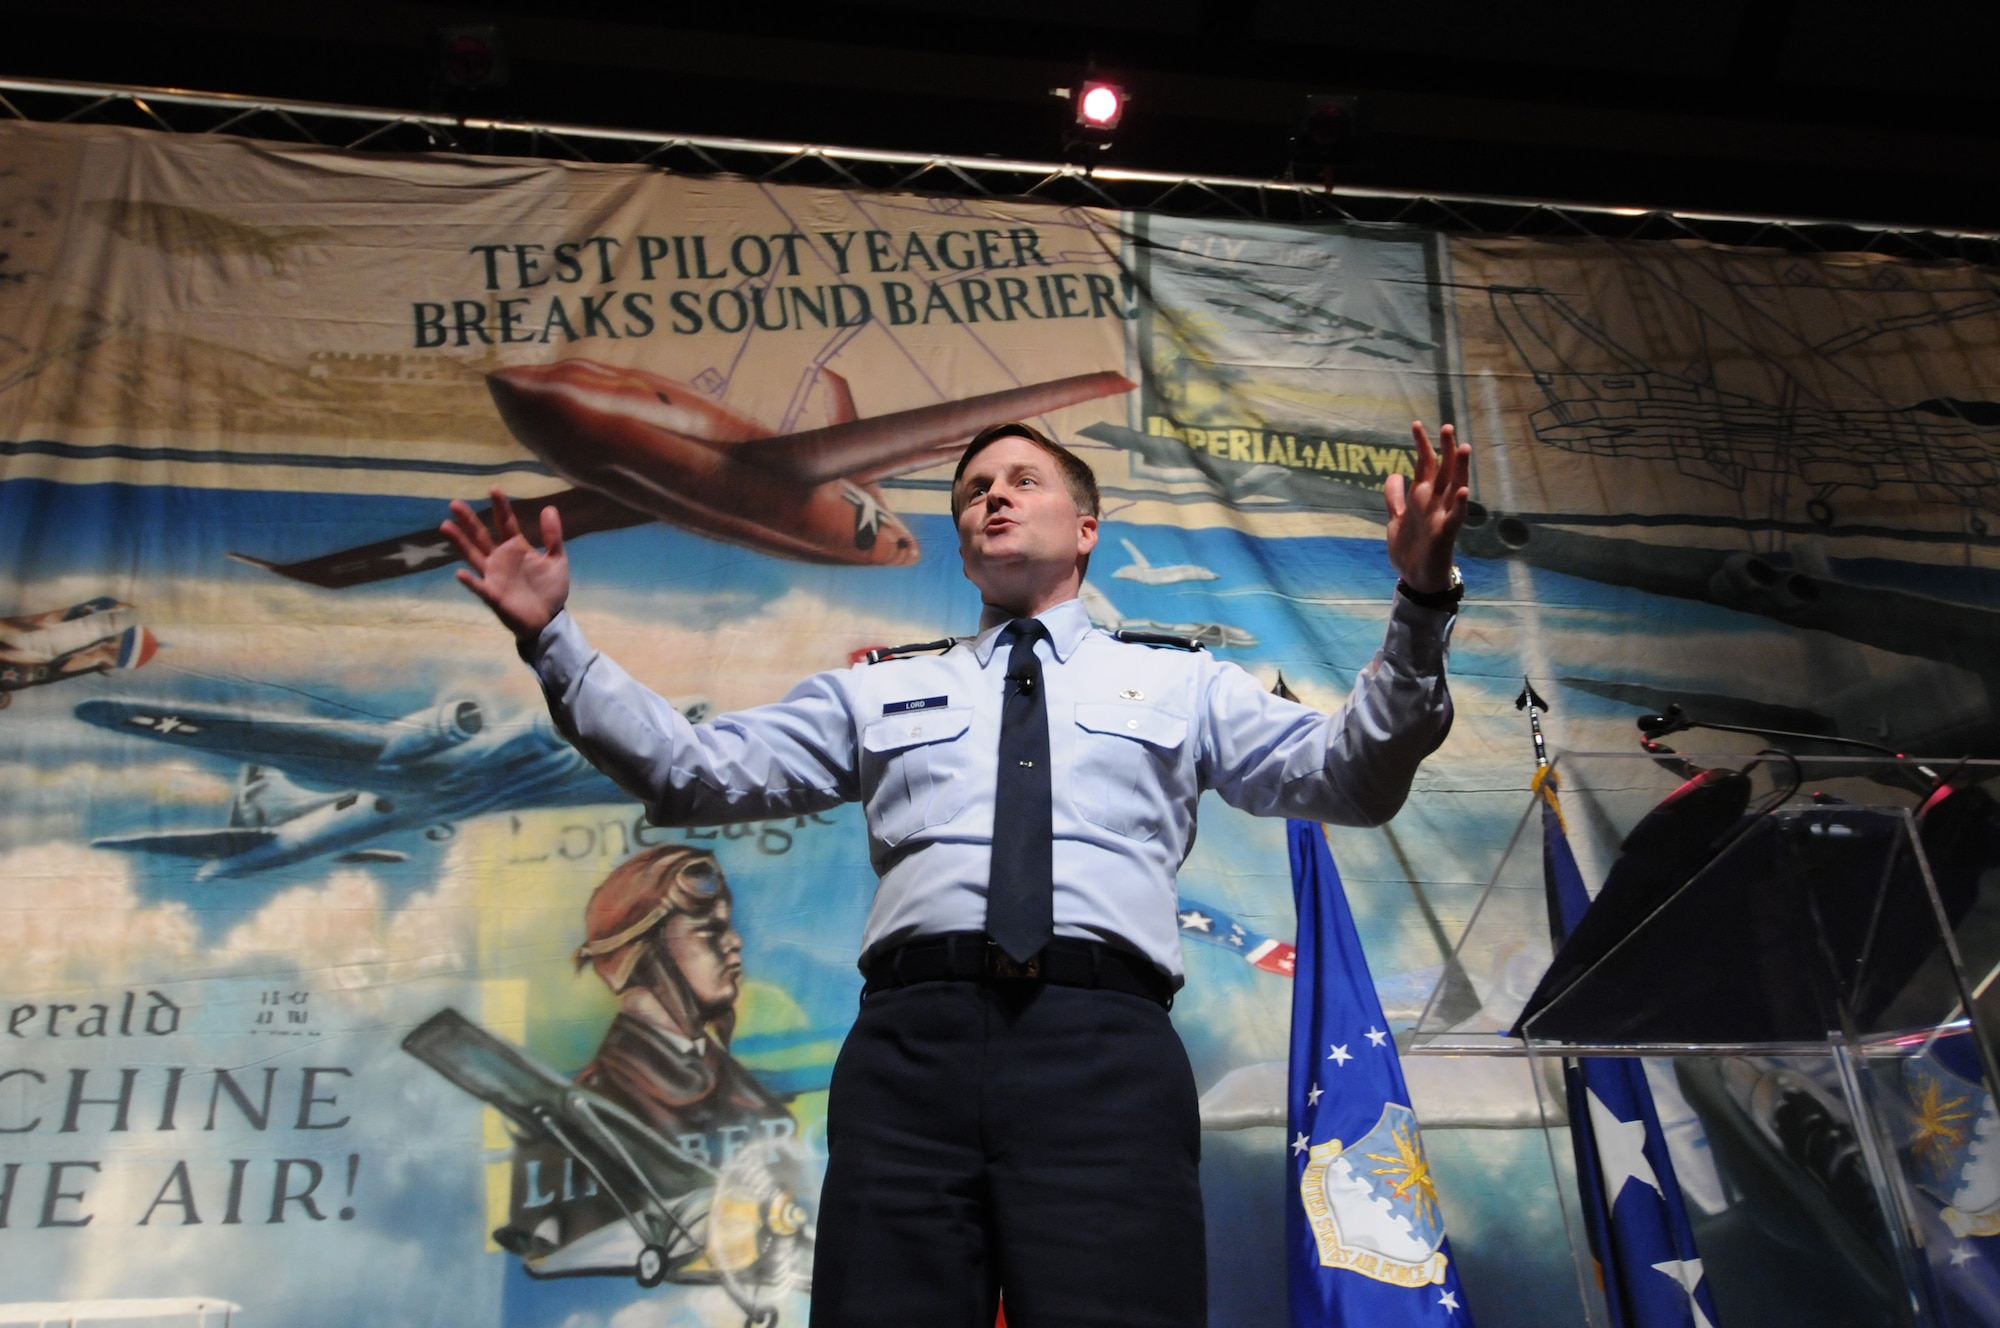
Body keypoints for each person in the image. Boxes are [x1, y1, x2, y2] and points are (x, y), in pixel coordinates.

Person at [442, 416, 1470, 1328]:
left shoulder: (1179, 679)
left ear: (1085, 526)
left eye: (1023, 479)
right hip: (909, 1057)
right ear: (965, 547)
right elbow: (689, 770)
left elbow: (1353, 775)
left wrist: (1420, 600)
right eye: (974, 489)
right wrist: (554, 642)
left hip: (1101, 1056)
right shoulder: (879, 690)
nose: (992, 495)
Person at [571, 845, 793, 1168]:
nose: (735, 942)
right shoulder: (586, 1112)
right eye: (709, 931)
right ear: (645, 954)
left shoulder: (748, 1096)